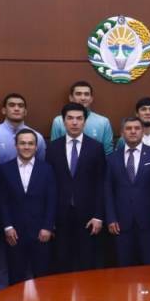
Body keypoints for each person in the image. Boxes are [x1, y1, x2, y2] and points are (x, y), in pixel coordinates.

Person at [47, 102, 106, 271]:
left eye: (79, 118)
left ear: (84, 122)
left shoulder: (96, 147)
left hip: (88, 216)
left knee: (87, 262)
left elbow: (101, 183)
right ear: (63, 121)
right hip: (60, 215)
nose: (74, 122)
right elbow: (48, 185)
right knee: (61, 262)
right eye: (70, 118)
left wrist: (98, 216)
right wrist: (49, 220)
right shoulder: (53, 148)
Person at [0, 129, 56, 283]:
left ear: (36, 147)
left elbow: (51, 200)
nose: (26, 147)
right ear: (16, 146)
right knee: (16, 278)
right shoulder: (5, 169)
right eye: (22, 143)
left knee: (42, 279)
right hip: (14, 234)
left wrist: (47, 227)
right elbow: (2, 201)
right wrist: (7, 227)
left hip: (41, 233)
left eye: (30, 143)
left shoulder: (47, 169)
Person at [105, 117, 150, 267]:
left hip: (149, 221)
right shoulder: (111, 159)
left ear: (142, 131)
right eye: (128, 128)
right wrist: (111, 218)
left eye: (137, 128)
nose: (133, 131)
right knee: (124, 267)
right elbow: (108, 190)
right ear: (122, 133)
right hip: (121, 222)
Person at [50, 80, 114, 155]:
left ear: (91, 99)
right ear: (71, 98)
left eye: (86, 94)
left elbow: (108, 153)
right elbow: (55, 149)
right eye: (78, 94)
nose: (83, 98)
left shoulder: (103, 122)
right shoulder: (59, 121)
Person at [0, 92, 46, 164]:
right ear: (4, 110)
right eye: (12, 105)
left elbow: (40, 164)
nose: (16, 109)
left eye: (20, 106)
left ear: (25, 112)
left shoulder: (38, 137)